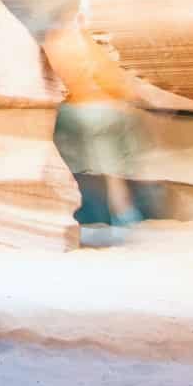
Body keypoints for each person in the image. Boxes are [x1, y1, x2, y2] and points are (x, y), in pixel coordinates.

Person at [43, 13, 146, 232]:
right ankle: (126, 215)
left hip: (74, 113)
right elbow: (110, 80)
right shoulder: (87, 43)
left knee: (83, 163)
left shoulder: (53, 43)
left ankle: (82, 212)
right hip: (102, 112)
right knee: (114, 170)